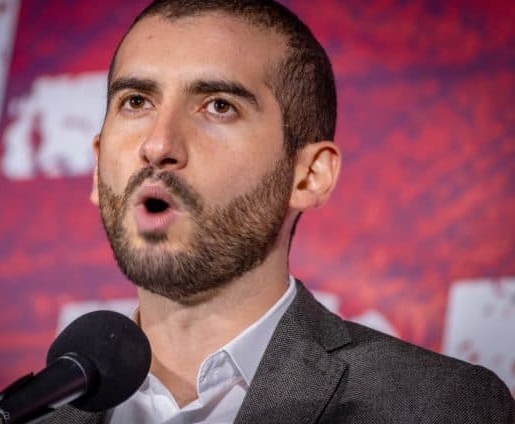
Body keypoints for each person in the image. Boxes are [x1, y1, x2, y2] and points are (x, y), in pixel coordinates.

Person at [43, 0, 514, 422]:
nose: (159, 144)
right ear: (97, 165)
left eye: (219, 106)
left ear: (308, 176)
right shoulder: (30, 414)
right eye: (136, 101)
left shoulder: (437, 406)